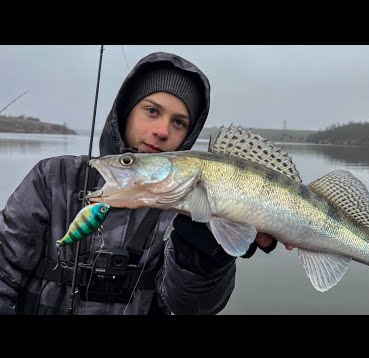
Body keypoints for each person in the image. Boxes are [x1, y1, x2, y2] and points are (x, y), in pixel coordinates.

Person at [0, 51, 278, 315]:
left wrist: (204, 264)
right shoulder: (52, 177)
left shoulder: (185, 204)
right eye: (152, 111)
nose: (162, 131)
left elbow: (194, 308)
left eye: (179, 122)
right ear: (126, 111)